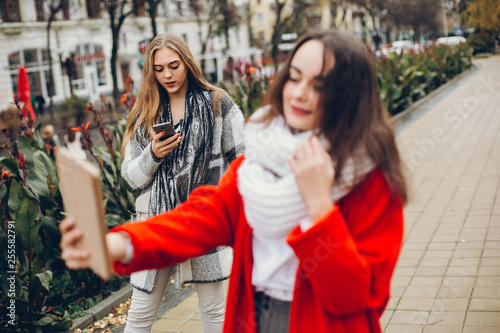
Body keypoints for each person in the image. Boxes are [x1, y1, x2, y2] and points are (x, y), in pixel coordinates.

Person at [60, 29, 407, 333]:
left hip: (325, 325)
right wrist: (115, 246)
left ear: (350, 96)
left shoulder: (370, 180)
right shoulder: (260, 162)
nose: (299, 93)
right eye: (294, 76)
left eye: (318, 86)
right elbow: (200, 218)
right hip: (255, 317)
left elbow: (356, 297)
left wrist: (319, 209)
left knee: (211, 307)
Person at [119, 33, 244, 333]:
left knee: (214, 312)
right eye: (159, 69)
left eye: (174, 66)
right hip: (157, 222)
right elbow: (131, 177)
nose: (167, 75)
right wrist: (153, 154)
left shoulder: (217, 103)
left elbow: (243, 161)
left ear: (187, 62)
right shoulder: (146, 111)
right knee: (139, 314)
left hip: (204, 221)